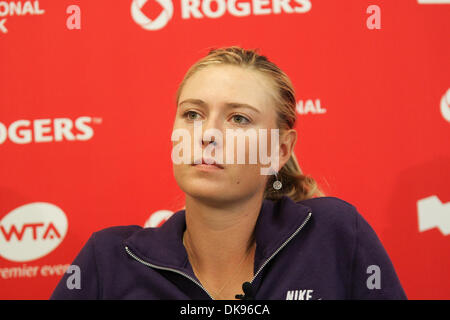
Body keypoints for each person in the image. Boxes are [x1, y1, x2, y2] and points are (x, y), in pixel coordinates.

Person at [50, 46, 407, 300]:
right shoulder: (109, 260)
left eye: (239, 118)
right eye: (192, 114)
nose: (208, 133)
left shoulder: (334, 235)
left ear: (279, 150)